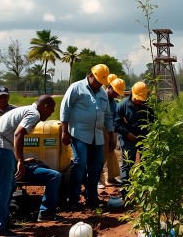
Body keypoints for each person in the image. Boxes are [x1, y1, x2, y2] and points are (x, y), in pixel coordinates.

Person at [0, 95, 56, 237]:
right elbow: (18, 134)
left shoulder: (27, 110)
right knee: (4, 187)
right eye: (52, 110)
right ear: (45, 106)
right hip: (0, 147)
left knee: (8, 185)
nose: (51, 113)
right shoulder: (34, 114)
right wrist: (20, 161)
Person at [60, 64, 115, 209]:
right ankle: (73, 199)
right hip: (79, 133)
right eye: (98, 82)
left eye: (102, 83)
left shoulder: (102, 93)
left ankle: (92, 197)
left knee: (96, 167)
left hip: (97, 135)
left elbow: (108, 116)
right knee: (79, 165)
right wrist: (64, 131)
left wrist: (111, 135)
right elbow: (65, 109)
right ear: (91, 76)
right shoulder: (76, 88)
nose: (99, 85)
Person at [114, 81, 154, 192]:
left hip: (144, 138)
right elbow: (116, 123)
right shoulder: (122, 106)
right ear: (133, 94)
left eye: (142, 99)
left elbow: (153, 122)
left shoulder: (147, 107)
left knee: (145, 162)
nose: (140, 101)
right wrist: (127, 134)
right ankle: (126, 190)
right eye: (138, 98)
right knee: (128, 163)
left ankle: (144, 188)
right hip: (128, 138)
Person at [100, 77, 125, 187]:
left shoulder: (113, 103)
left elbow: (115, 117)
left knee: (110, 152)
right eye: (114, 92)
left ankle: (111, 177)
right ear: (109, 87)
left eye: (117, 93)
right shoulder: (100, 97)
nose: (115, 94)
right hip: (101, 130)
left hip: (111, 130)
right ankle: (99, 180)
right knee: (100, 156)